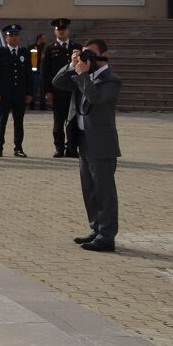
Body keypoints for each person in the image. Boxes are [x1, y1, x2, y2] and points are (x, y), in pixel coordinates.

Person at [53, 38, 121, 252]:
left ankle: (107, 235)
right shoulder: (84, 75)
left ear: (103, 55)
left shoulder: (111, 80)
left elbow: (95, 97)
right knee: (89, 189)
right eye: (84, 54)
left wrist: (82, 74)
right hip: (83, 141)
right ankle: (96, 228)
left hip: (102, 143)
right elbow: (58, 83)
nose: (86, 58)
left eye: (90, 54)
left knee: (104, 190)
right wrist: (72, 65)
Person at [42, 18, 82, 157]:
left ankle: (71, 147)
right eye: (59, 29)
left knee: (73, 121)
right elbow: (45, 72)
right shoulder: (50, 49)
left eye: (64, 29)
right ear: (55, 31)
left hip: (74, 91)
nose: (61, 31)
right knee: (58, 122)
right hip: (57, 91)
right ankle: (59, 147)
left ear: (68, 30)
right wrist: (47, 91)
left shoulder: (76, 48)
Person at [0, 23, 32, 157]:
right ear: (6, 37)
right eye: (11, 35)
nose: (14, 38)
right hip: (4, 94)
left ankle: (18, 148)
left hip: (19, 94)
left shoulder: (24, 52)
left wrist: (29, 93)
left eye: (16, 35)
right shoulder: (0, 52)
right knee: (2, 121)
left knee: (19, 122)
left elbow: (29, 74)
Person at [30, 34, 49, 110]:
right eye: (43, 39)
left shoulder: (45, 48)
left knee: (43, 90)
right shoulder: (32, 47)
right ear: (39, 39)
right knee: (34, 89)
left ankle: (43, 105)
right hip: (34, 72)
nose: (45, 40)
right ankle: (32, 105)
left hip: (43, 71)